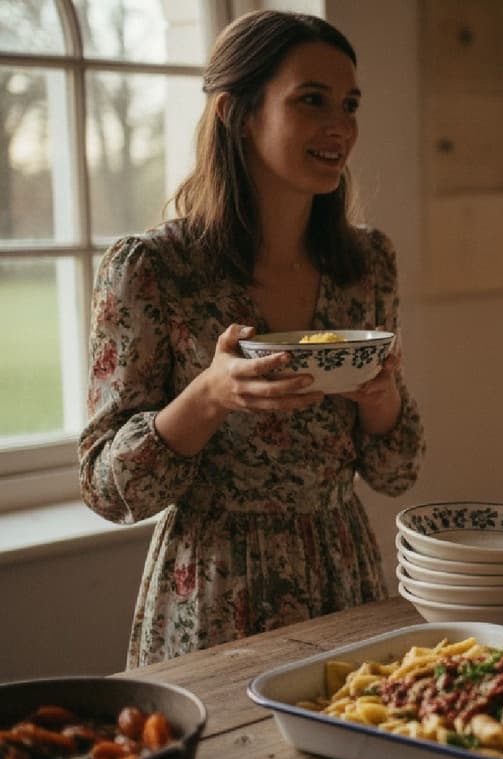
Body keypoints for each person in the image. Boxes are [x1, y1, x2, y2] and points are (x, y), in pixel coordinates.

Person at [78, 11, 424, 668]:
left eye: (349, 104)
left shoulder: (366, 263)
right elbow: (105, 487)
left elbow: (397, 472)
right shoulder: (153, 270)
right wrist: (207, 398)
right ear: (237, 113)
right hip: (214, 589)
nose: (340, 126)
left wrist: (381, 400)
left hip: (343, 573)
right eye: (311, 101)